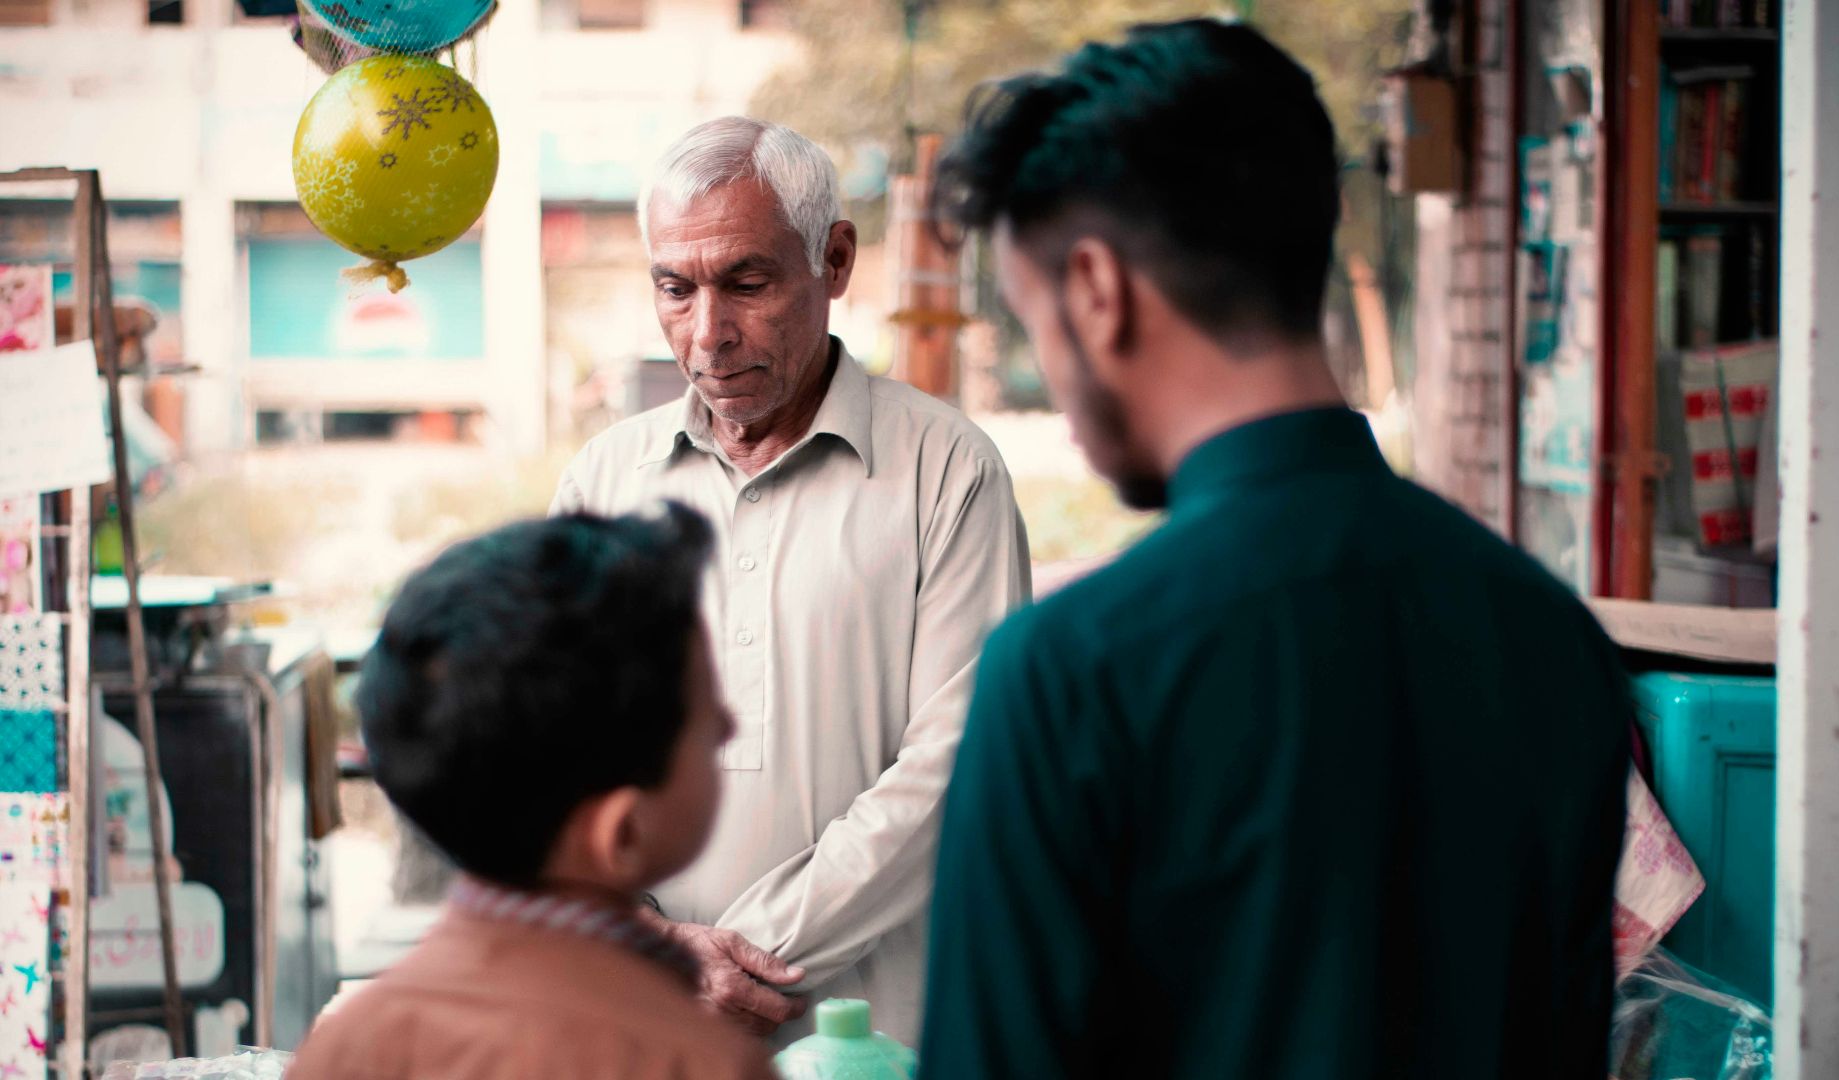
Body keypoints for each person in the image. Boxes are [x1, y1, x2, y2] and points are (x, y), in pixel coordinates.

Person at [920, 19, 1629, 1079]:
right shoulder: (1553, 634)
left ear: (1099, 293)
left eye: (1036, 325)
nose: (1057, 387)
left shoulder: (1071, 674)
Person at [551, 116, 1030, 1045]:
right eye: (674, 289)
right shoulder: (603, 482)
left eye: (747, 283)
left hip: (872, 1034)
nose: (708, 334)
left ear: (836, 261)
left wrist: (726, 959)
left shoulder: (946, 470)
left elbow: (957, 766)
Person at [289, 507, 777, 1080]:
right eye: (705, 712)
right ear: (621, 831)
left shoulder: (345, 1045)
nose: (728, 726)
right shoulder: (701, 1062)